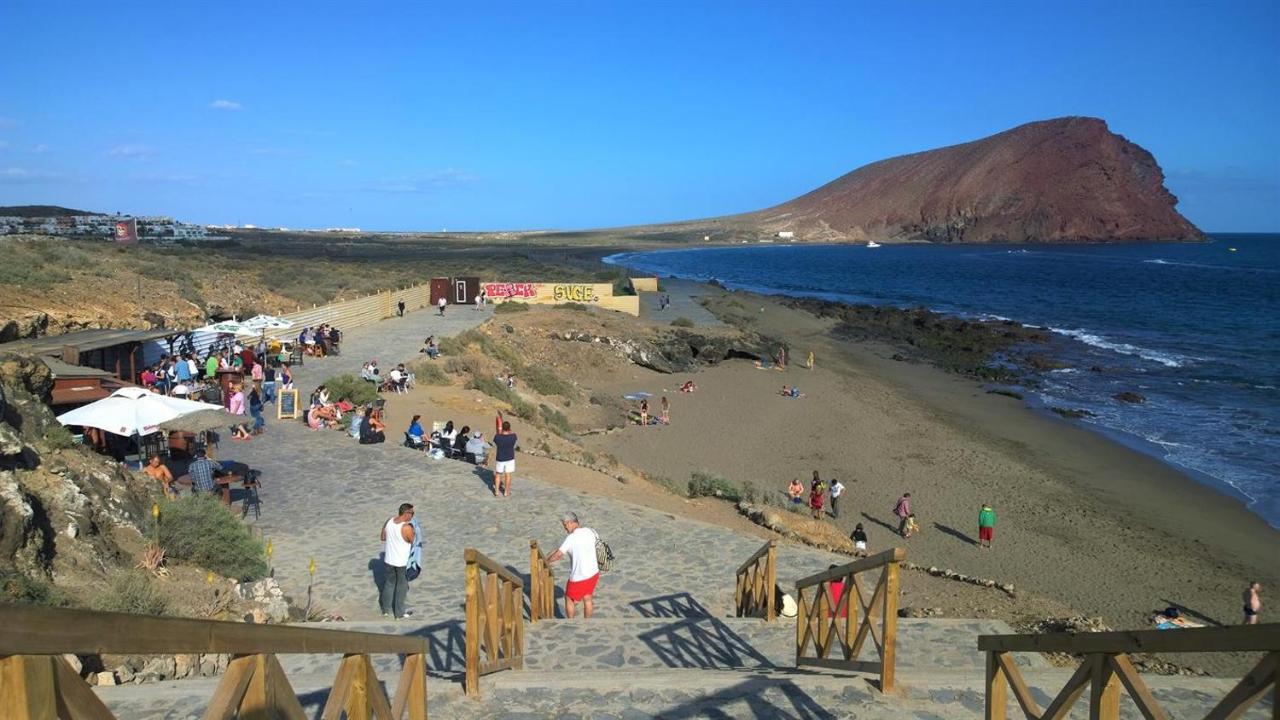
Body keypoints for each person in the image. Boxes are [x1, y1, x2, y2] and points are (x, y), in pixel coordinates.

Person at [545, 511, 600, 619]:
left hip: (580, 576)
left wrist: (546, 562)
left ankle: (571, 621)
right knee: (587, 597)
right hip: (593, 572)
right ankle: (587, 622)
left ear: (570, 522)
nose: (565, 529)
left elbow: (558, 555)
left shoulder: (571, 538)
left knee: (569, 598)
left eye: (565, 525)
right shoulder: (591, 531)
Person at [379, 504, 415, 619]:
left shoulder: (389, 521)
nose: (413, 516)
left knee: (389, 584)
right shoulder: (406, 528)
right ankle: (399, 613)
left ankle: (385, 610)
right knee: (402, 586)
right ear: (406, 513)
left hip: (389, 560)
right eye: (412, 513)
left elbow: (383, 537)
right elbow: (413, 541)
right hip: (401, 562)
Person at [491, 420, 517, 497]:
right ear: (509, 428)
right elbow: (515, 445)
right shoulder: (513, 436)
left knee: (498, 474)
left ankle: (496, 491)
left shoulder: (497, 437)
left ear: (502, 428)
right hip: (510, 458)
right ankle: (506, 492)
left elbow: (495, 443)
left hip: (500, 458)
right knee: (508, 475)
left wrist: (499, 432)